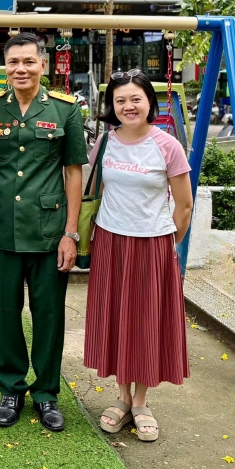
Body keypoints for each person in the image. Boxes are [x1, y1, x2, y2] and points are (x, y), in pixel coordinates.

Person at [0, 33, 87, 432]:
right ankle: (10, 387)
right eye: (13, 63)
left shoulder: (66, 110)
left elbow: (74, 172)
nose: (20, 69)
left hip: (49, 230)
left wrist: (71, 233)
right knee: (5, 313)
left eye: (28, 62)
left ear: (43, 65)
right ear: (6, 67)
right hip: (3, 228)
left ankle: (47, 393)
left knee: (49, 314)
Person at [86, 70, 193, 443]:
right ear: (111, 106)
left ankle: (142, 402)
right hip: (111, 243)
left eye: (135, 99)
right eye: (120, 101)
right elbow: (93, 189)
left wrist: (165, 244)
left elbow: (184, 206)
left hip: (153, 245)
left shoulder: (167, 146)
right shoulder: (104, 142)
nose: (128, 106)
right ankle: (122, 396)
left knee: (147, 322)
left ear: (149, 102)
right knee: (117, 318)